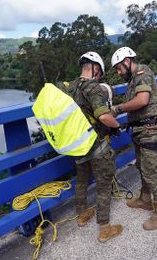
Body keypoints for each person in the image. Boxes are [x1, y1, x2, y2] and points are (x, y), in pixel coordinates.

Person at [63, 51, 123, 242]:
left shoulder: (69, 88)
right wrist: (118, 125)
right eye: (100, 73)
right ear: (96, 68)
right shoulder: (93, 87)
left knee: (81, 181)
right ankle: (105, 229)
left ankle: (82, 215)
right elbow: (104, 116)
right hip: (98, 147)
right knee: (103, 187)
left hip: (79, 146)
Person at [110, 47, 157, 230]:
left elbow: (143, 100)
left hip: (150, 130)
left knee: (151, 171)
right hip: (140, 131)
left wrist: (118, 109)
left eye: (119, 68)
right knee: (142, 166)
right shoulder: (133, 79)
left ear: (127, 61)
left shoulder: (142, 73)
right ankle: (145, 199)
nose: (119, 73)